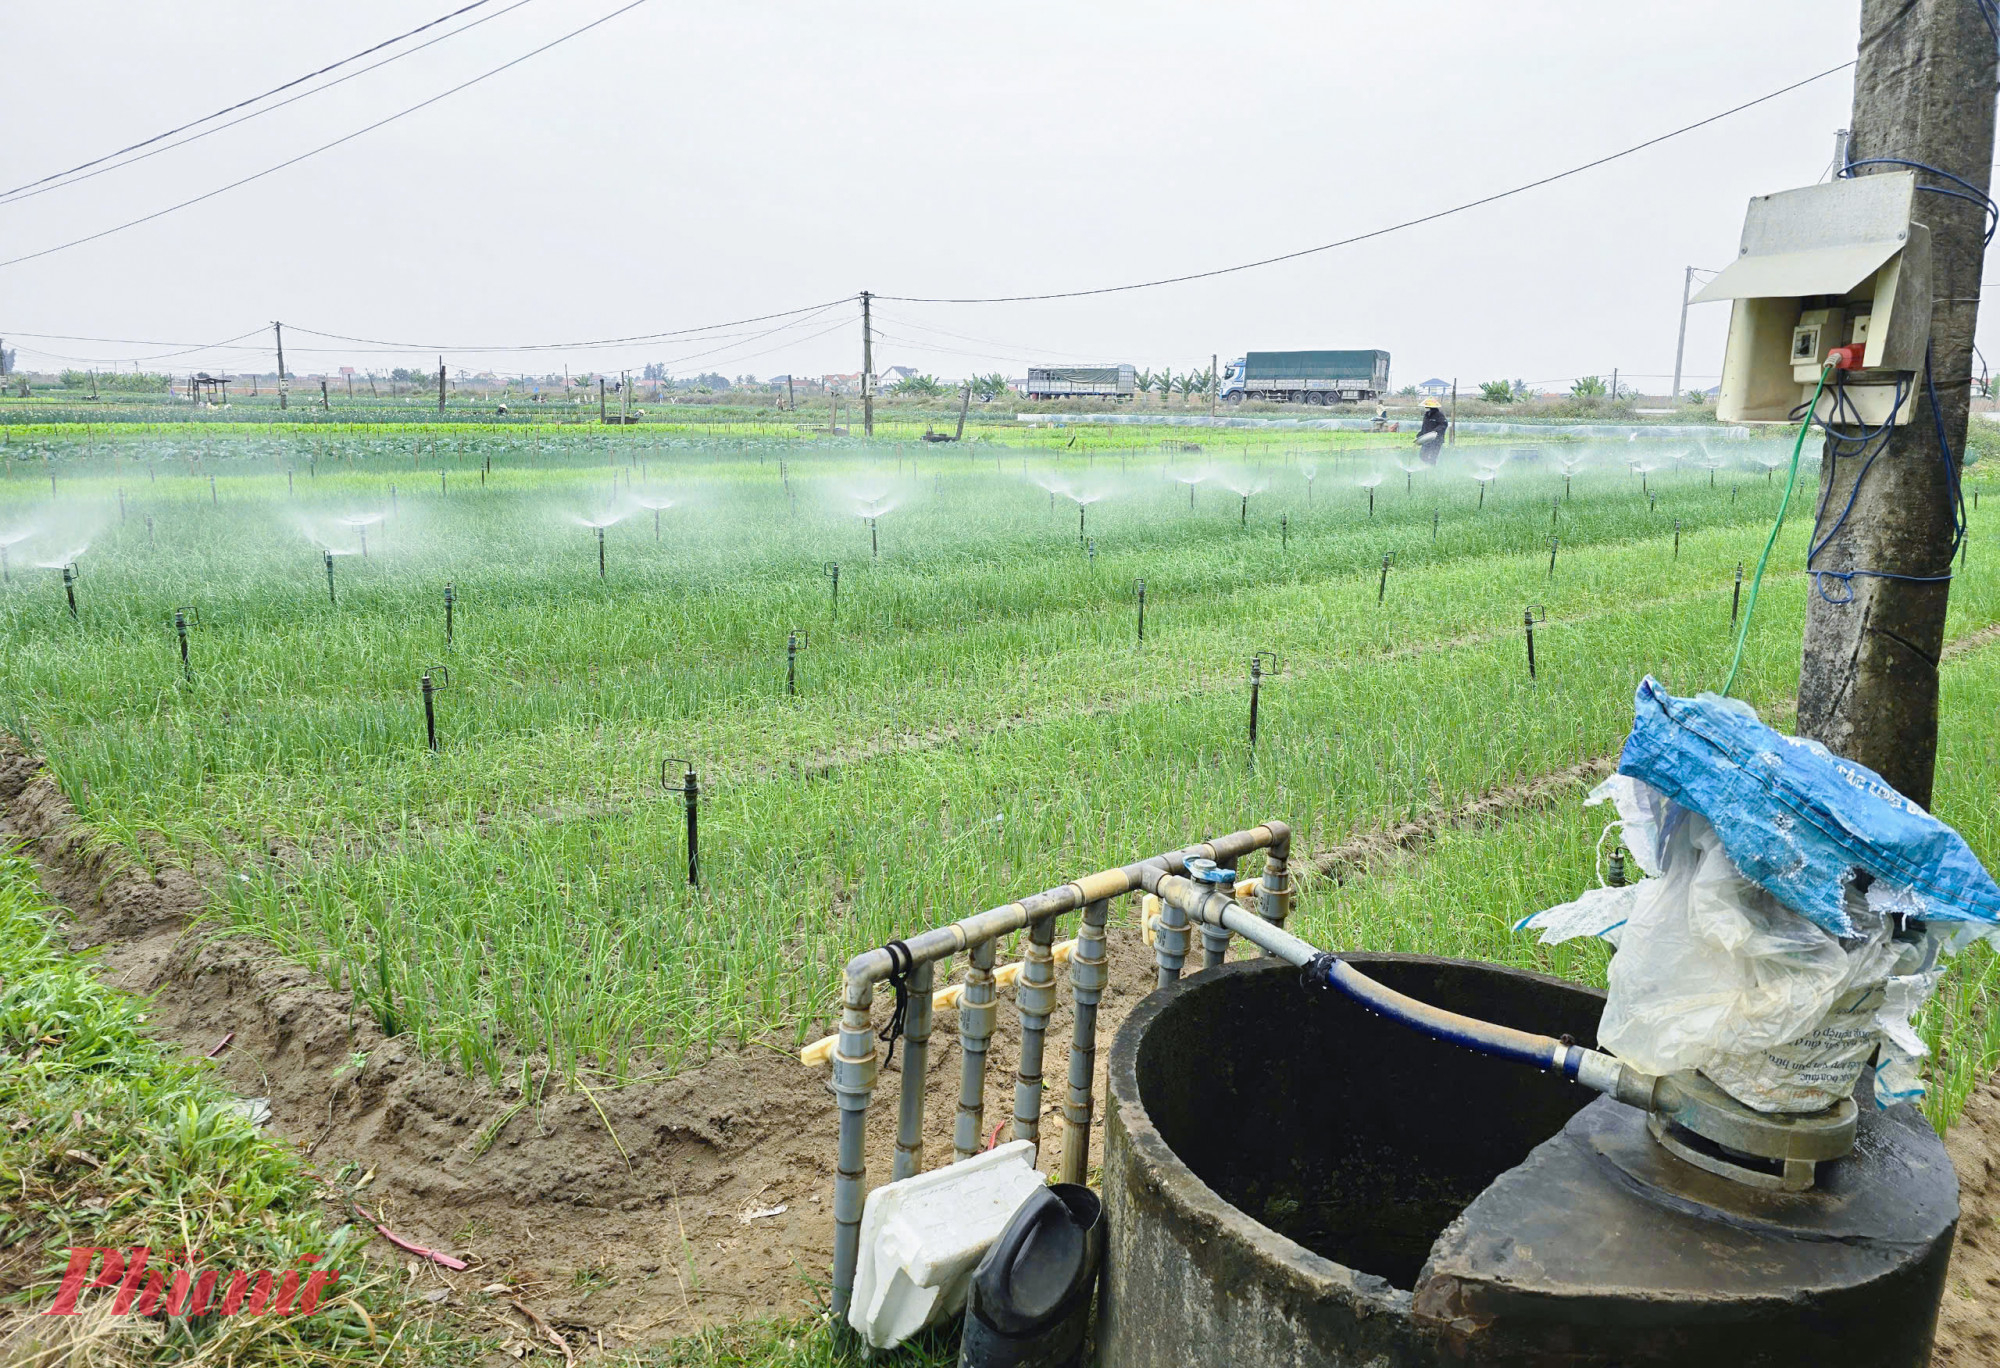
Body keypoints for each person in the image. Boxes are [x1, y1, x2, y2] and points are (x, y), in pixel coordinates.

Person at [1416, 397, 1448, 464]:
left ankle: (1432, 467)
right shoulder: (1427, 415)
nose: (1426, 406)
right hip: (1427, 439)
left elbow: (1443, 425)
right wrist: (1421, 434)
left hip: (1436, 440)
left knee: (1433, 456)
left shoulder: (1439, 415)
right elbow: (1425, 426)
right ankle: (1428, 466)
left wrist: (1435, 431)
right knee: (1422, 455)